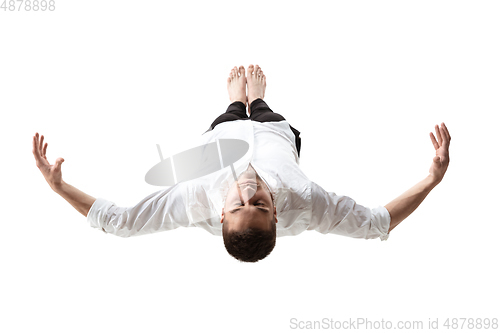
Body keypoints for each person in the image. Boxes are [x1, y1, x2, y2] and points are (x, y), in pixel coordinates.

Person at [32, 64, 451, 263]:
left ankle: (235, 103)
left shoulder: (192, 199)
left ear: (219, 215)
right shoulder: (307, 203)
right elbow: (378, 223)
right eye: (261, 205)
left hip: (221, 137)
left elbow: (119, 222)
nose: (249, 194)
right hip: (276, 133)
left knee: (226, 124)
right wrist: (431, 180)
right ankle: (259, 101)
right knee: (271, 123)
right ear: (278, 214)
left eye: (238, 206)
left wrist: (59, 188)